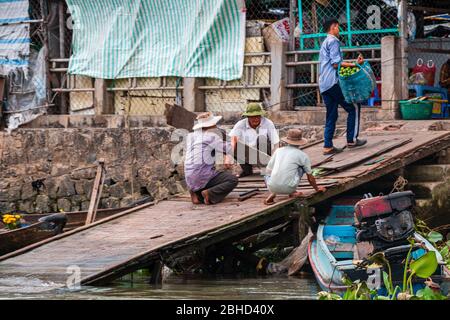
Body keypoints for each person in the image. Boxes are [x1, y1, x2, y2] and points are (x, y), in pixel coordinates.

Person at [319, 18, 367, 155]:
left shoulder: (324, 42)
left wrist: (352, 64)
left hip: (324, 85)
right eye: (338, 27)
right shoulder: (333, 41)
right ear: (333, 27)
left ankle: (327, 145)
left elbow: (334, 62)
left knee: (331, 115)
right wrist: (355, 65)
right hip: (333, 83)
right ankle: (352, 139)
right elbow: (336, 64)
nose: (339, 30)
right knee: (354, 107)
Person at [184, 112, 238, 205]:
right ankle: (209, 194)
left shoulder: (192, 137)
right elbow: (229, 148)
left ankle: (196, 194)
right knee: (232, 179)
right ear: (213, 125)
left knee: (214, 171)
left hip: (190, 178)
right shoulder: (211, 136)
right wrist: (234, 141)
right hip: (201, 176)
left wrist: (226, 156)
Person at [264, 129, 326, 205]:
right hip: (289, 188)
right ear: (300, 142)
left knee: (267, 173)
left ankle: (274, 192)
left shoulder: (278, 151)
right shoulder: (302, 155)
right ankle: (292, 191)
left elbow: (268, 169)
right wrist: (317, 189)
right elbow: (310, 178)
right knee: (300, 168)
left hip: (271, 187)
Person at [229, 102, 280, 177]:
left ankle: (265, 168)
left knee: (261, 139)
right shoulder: (240, 124)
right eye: (252, 117)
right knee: (234, 145)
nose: (255, 119)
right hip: (247, 154)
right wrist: (229, 156)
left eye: (257, 116)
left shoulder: (268, 123)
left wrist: (274, 159)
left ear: (260, 115)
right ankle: (247, 170)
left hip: (264, 154)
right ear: (248, 117)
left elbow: (276, 143)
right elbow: (232, 140)